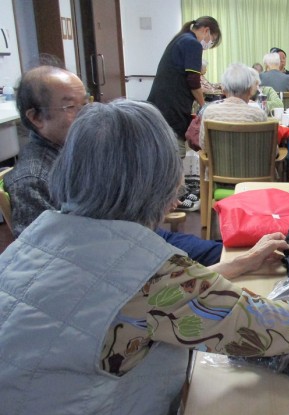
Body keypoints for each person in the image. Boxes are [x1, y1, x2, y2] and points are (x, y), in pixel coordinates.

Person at [0, 98, 289, 415]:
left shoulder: (37, 237)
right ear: (158, 181)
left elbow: (124, 294)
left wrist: (238, 264)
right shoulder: (155, 279)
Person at [5, 65, 222, 265]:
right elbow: (47, 257)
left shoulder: (84, 148)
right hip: (114, 256)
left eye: (85, 103)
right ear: (36, 118)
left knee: (220, 252)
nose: (86, 113)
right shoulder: (33, 179)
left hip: (134, 237)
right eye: (70, 106)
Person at [147, 17, 221, 158]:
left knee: (163, 151)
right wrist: (203, 106)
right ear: (206, 30)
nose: (209, 44)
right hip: (172, 107)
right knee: (175, 152)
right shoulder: (192, 43)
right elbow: (193, 81)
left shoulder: (181, 38)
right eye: (212, 40)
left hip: (161, 104)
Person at [199, 63, 269, 149]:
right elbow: (269, 148)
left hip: (219, 158)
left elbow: (203, 145)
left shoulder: (210, 112)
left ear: (223, 90)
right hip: (250, 158)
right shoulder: (258, 114)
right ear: (250, 90)